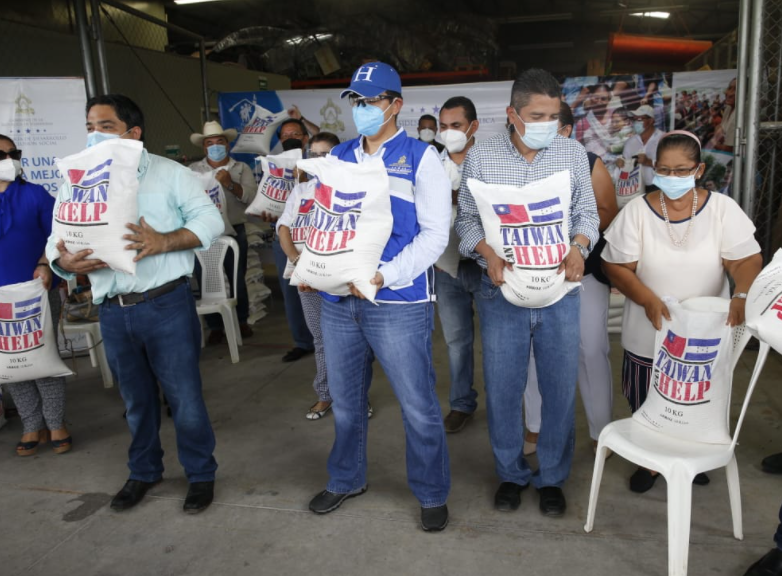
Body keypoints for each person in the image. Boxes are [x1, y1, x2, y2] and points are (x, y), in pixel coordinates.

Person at [46, 94, 224, 513]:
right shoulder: (77, 179)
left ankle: (200, 474)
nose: (94, 135)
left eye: (105, 126)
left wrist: (164, 241)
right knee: (136, 402)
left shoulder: (170, 173)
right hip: (112, 309)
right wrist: (66, 263)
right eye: (90, 126)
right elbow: (56, 243)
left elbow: (210, 221)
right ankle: (144, 471)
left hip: (165, 304)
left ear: (133, 133)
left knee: (185, 399)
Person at [307, 62, 452, 532]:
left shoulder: (421, 157)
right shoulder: (340, 156)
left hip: (397, 303)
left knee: (418, 405)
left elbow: (434, 236)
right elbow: (325, 221)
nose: (362, 109)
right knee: (347, 402)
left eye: (371, 100)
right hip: (339, 303)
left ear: (395, 105)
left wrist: (383, 277)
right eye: (357, 100)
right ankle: (346, 478)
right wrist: (314, 266)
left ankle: (431, 492)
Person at [455, 68, 600, 517]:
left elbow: (587, 214)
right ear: (513, 114)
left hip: (559, 290)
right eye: (537, 115)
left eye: (553, 116)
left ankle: (552, 477)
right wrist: (487, 255)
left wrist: (579, 247)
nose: (547, 125)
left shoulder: (572, 152)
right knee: (503, 389)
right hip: (501, 293)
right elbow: (465, 221)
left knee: (558, 389)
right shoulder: (481, 158)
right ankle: (512, 474)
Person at [601, 130, 762, 493]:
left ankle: (688, 456)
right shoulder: (639, 212)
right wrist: (647, 299)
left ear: (699, 169)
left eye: (681, 170)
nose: (672, 178)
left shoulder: (721, 209)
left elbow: (746, 259)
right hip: (648, 329)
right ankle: (650, 461)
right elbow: (616, 267)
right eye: (664, 170)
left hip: (704, 331)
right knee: (646, 396)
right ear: (654, 169)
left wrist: (742, 294)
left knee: (697, 396)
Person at [523, 101, 619, 455]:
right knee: (532, 352)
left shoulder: (589, 162)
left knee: (590, 349)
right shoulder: (521, 163)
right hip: (535, 273)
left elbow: (607, 211)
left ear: (565, 130)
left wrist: (569, 239)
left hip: (584, 271)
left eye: (549, 124)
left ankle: (601, 433)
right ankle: (534, 428)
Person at [0, 135, 71, 457]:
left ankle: (55, 422)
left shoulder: (35, 194)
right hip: (2, 298)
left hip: (36, 290)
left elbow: (58, 237)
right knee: (12, 362)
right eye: (3, 154)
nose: (10, 159)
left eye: (14, 153)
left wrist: (45, 264)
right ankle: (31, 424)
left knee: (43, 358)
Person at [276, 131, 343, 420]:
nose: (319, 159)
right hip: (307, 278)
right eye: (314, 154)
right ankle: (325, 395)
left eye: (325, 153)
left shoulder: (349, 187)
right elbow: (283, 228)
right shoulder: (300, 191)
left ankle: (354, 397)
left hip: (340, 278)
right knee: (320, 338)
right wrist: (296, 261)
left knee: (350, 340)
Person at [434, 96, 482, 433]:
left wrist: (455, 196)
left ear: (473, 127)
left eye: (456, 126)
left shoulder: (492, 161)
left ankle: (510, 404)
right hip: (446, 265)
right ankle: (461, 403)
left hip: (486, 264)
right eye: (444, 126)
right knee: (456, 342)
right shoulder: (430, 164)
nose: (449, 133)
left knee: (499, 343)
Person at [189, 121, 257, 343]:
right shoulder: (194, 171)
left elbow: (250, 198)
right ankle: (215, 326)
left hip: (235, 229)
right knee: (206, 277)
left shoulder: (241, 168)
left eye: (220, 142)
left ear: (227, 145)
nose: (215, 146)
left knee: (236, 275)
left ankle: (241, 320)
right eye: (210, 143)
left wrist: (229, 184)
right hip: (204, 231)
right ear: (204, 147)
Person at [267, 118, 316, 362]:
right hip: (285, 236)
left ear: (305, 138)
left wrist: (304, 177)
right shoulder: (272, 164)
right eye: (285, 135)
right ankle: (302, 341)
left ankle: (326, 338)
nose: (290, 138)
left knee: (320, 287)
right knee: (291, 290)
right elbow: (265, 198)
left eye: (295, 133)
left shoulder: (317, 160)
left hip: (316, 235)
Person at [617, 104, 665, 192]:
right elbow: (625, 168)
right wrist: (621, 164)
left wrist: (648, 162)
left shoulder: (663, 139)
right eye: (634, 119)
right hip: (634, 189)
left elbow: (670, 167)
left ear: (651, 121)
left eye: (639, 119)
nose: (636, 123)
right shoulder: (630, 143)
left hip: (659, 188)